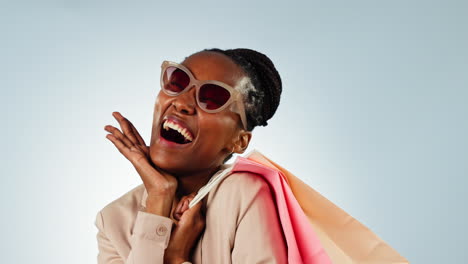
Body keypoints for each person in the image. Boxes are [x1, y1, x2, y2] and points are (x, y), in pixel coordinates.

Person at [95, 48, 286, 264]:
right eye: (177, 82)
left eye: (213, 98)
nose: (181, 103)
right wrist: (159, 198)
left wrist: (176, 258)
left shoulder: (246, 194)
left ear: (239, 141)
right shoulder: (112, 220)